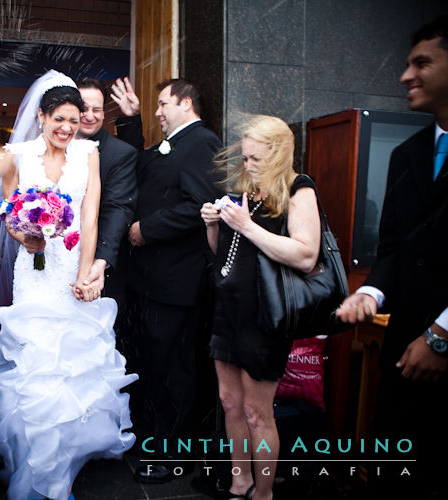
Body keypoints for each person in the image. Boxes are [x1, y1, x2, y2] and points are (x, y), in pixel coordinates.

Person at [0, 72, 137, 500]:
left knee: (73, 364)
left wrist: (86, 274)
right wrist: (23, 236)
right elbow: (9, 212)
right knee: (37, 364)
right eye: (59, 119)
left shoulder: (88, 153)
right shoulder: (18, 156)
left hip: (71, 266)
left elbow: (89, 215)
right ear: (42, 117)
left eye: (73, 119)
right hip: (32, 271)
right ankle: (36, 460)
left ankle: (66, 457)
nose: (67, 128)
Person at [335, 16, 448, 499]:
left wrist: (442, 336)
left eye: (422, 63)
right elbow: (395, 247)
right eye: (406, 64)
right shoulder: (407, 153)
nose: (405, 76)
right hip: (403, 355)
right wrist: (370, 292)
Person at [199, 115, 320, 500]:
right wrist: (214, 225)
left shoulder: (299, 190)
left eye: (256, 159)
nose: (248, 166)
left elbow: (305, 255)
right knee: (229, 402)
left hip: (265, 317)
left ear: (279, 154)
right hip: (228, 310)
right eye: (245, 158)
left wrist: (248, 225)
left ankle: (263, 492)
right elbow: (227, 257)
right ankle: (240, 481)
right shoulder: (247, 191)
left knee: (257, 412)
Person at [110, 77, 221, 483]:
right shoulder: (173, 143)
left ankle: (174, 454)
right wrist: (131, 120)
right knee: (154, 366)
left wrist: (146, 229)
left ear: (186, 103)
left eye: (162, 104)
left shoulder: (202, 142)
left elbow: (200, 206)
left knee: (175, 371)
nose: (157, 111)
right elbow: (146, 167)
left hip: (177, 281)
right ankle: (155, 440)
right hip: (151, 279)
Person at [74, 77, 137, 328]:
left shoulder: (121, 153)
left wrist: (99, 262)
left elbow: (118, 209)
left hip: (96, 265)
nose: (89, 115)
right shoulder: (50, 146)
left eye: (96, 109)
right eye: (83, 108)